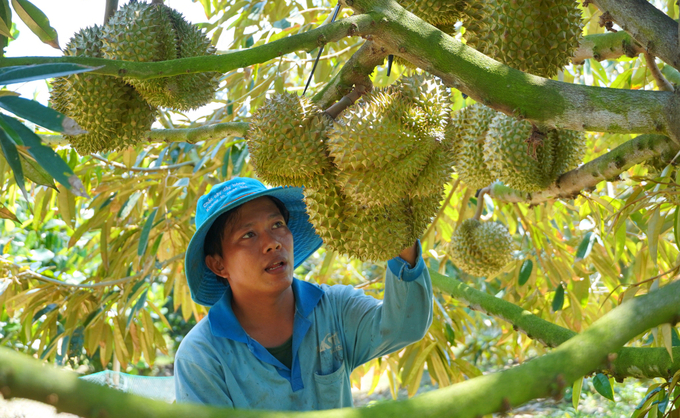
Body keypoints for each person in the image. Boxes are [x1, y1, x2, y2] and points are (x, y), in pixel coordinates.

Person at [174, 176, 433, 410]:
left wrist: (400, 238)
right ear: (218, 264)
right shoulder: (201, 356)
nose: (273, 242)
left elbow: (404, 327)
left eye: (277, 224)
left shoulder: (334, 309)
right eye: (248, 234)